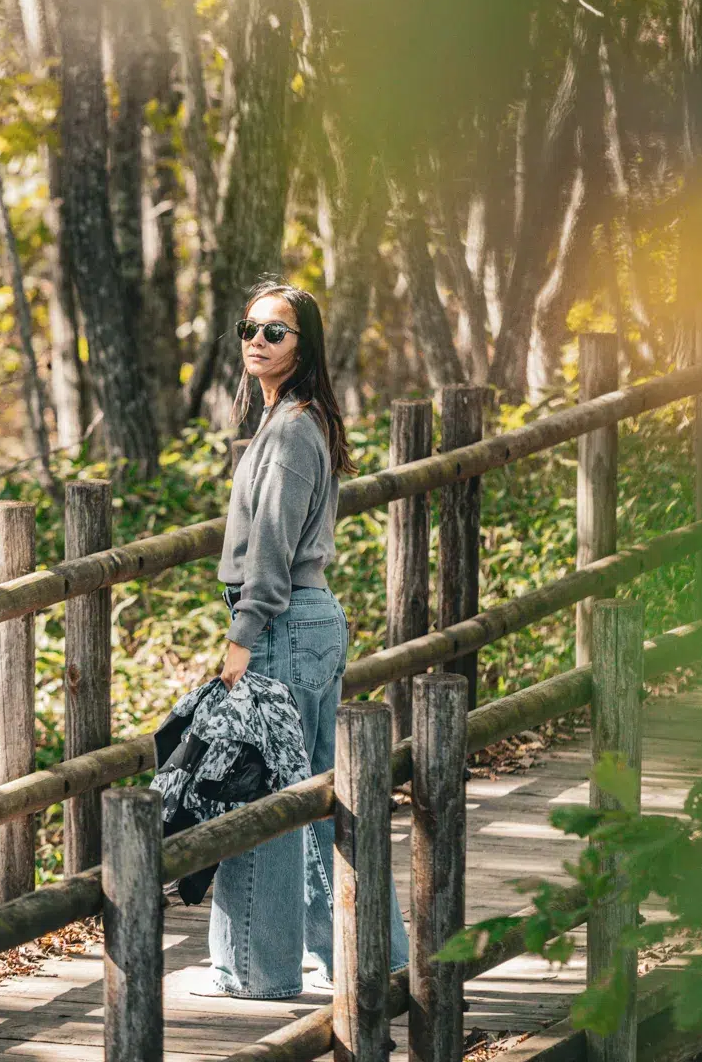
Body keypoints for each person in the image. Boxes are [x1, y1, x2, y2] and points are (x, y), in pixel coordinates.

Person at [207, 275, 409, 999]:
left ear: (304, 346)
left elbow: (270, 550)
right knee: (322, 799)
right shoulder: (293, 422)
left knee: (260, 800)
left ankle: (257, 975)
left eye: (275, 332)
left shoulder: (291, 431)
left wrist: (241, 638)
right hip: (307, 623)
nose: (257, 342)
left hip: (283, 624)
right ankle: (377, 957)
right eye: (249, 328)